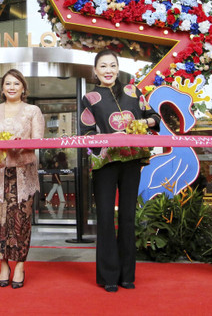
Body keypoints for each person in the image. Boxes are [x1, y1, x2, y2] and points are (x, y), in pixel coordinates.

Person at [80, 49, 160, 293]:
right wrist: (108, 137)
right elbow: (87, 134)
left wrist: (142, 123)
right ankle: (108, 276)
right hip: (105, 163)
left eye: (112, 65)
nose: (108, 70)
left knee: (127, 216)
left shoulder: (134, 92)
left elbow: (155, 117)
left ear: (118, 68)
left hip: (132, 160)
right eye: (102, 66)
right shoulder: (90, 98)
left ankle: (127, 275)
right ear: (95, 71)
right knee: (105, 217)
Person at [0, 69, 44, 289]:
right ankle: (3, 263)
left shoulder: (33, 111)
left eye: (16, 83)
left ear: (23, 87)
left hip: (23, 173)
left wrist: (19, 143)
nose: (12, 87)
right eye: (8, 84)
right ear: (2, 88)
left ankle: (20, 265)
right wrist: (0, 140)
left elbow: (39, 141)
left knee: (21, 221)